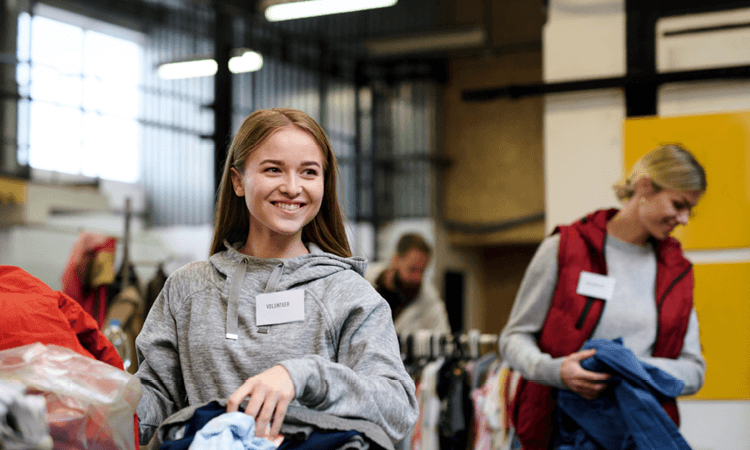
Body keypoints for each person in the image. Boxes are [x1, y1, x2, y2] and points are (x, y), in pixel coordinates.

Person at [134, 108, 419, 446]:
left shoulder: (349, 294)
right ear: (239, 181)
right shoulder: (188, 289)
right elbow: (153, 406)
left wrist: (301, 376)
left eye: (309, 172)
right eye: (273, 170)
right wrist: (92, 391)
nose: (292, 187)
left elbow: (398, 408)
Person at [498, 144, 707, 449]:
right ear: (646, 187)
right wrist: (557, 370)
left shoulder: (676, 272)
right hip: (556, 431)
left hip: (636, 436)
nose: (685, 218)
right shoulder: (565, 248)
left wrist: (628, 367)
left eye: (690, 209)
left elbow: (693, 369)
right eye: (678, 204)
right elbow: (513, 338)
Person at [365, 233, 451, 336]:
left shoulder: (428, 298)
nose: (418, 278)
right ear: (395, 260)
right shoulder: (365, 280)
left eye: (422, 271)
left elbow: (443, 338)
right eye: (412, 269)